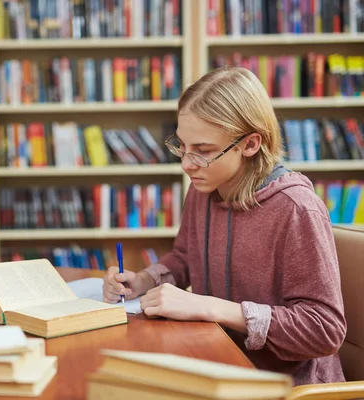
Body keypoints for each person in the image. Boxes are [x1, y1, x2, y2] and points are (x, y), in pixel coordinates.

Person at [102, 67, 346, 386]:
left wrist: (212, 308)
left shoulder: (297, 208)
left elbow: (323, 329)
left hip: (283, 386)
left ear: (250, 144)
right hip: (216, 364)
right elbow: (187, 257)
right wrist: (145, 280)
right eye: (182, 146)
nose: (187, 164)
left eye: (203, 151)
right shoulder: (203, 188)